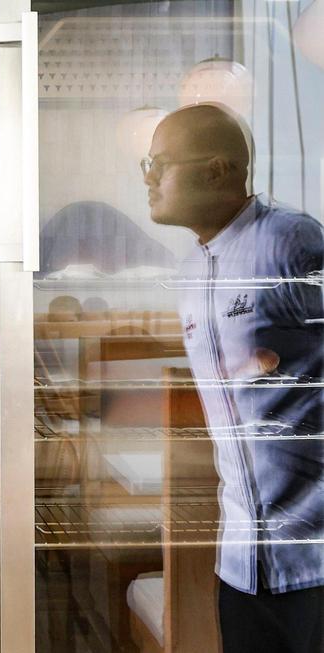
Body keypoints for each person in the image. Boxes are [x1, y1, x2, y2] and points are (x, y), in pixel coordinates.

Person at [144, 102, 324, 653]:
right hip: (241, 565)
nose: (148, 178)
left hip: (315, 566)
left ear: (218, 170)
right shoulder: (191, 272)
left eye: (159, 163)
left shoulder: (290, 242)